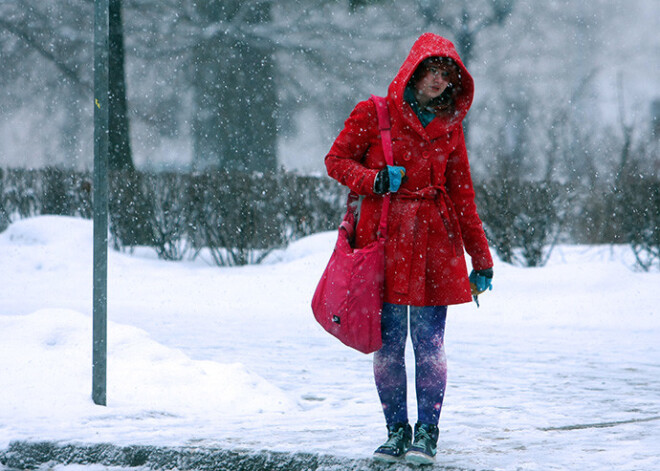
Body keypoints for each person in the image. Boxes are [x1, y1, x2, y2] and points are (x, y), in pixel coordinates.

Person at [324, 33, 494, 465]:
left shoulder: (450, 128)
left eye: (446, 74)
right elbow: (336, 161)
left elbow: (463, 196)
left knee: (430, 344)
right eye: (431, 71)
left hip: (436, 242)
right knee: (389, 343)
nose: (438, 80)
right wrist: (375, 181)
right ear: (413, 71)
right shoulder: (373, 113)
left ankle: (428, 434)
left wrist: (482, 259)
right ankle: (396, 431)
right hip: (384, 241)